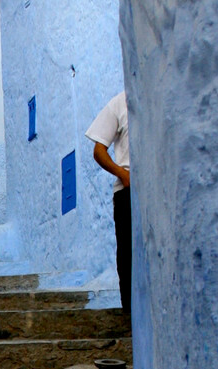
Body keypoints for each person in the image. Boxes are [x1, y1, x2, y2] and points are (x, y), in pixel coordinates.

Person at [86, 91, 131, 315]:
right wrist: (122, 174)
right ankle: (129, 312)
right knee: (127, 253)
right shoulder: (118, 103)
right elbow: (99, 149)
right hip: (128, 191)